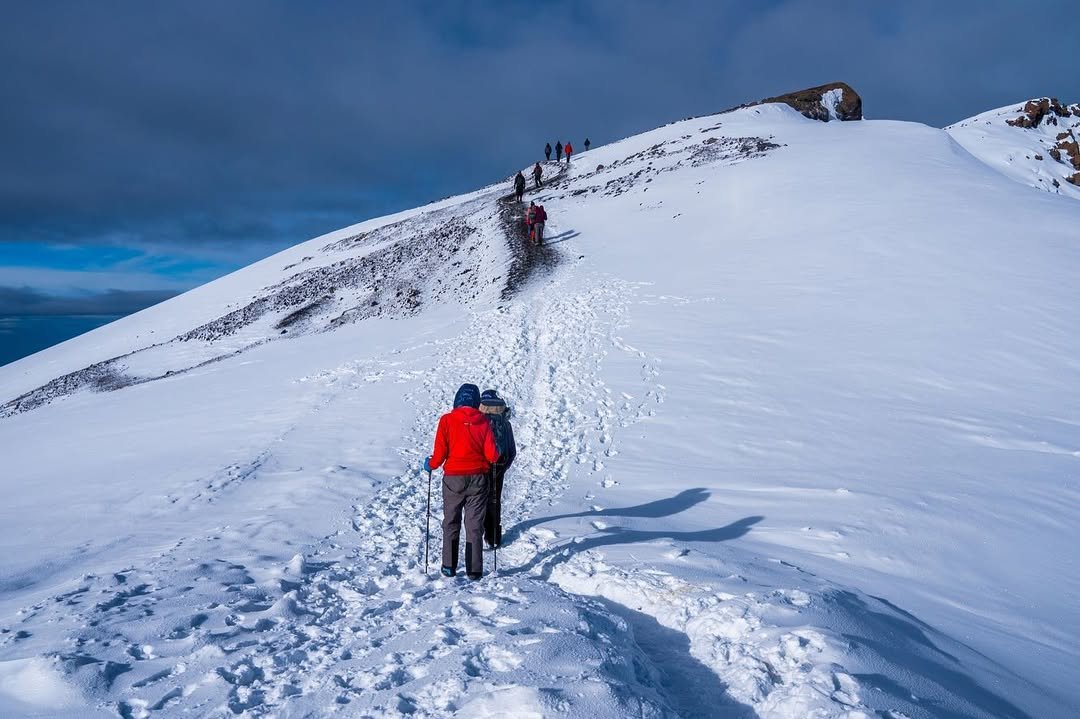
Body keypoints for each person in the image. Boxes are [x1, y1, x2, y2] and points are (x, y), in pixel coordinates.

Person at [425, 383, 499, 579]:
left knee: (451, 521)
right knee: (474, 525)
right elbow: (492, 456)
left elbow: (439, 455)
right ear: (476, 402)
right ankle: (474, 570)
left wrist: (430, 464)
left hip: (453, 480)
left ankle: (448, 566)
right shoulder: (483, 421)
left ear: (457, 400)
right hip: (478, 479)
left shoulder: (447, 421)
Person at [479, 390, 516, 548]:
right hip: (499, 464)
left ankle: (475, 534)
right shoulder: (505, 423)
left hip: (480, 465)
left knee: (477, 500)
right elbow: (511, 451)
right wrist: (503, 466)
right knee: (494, 499)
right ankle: (493, 537)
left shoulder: (478, 420)